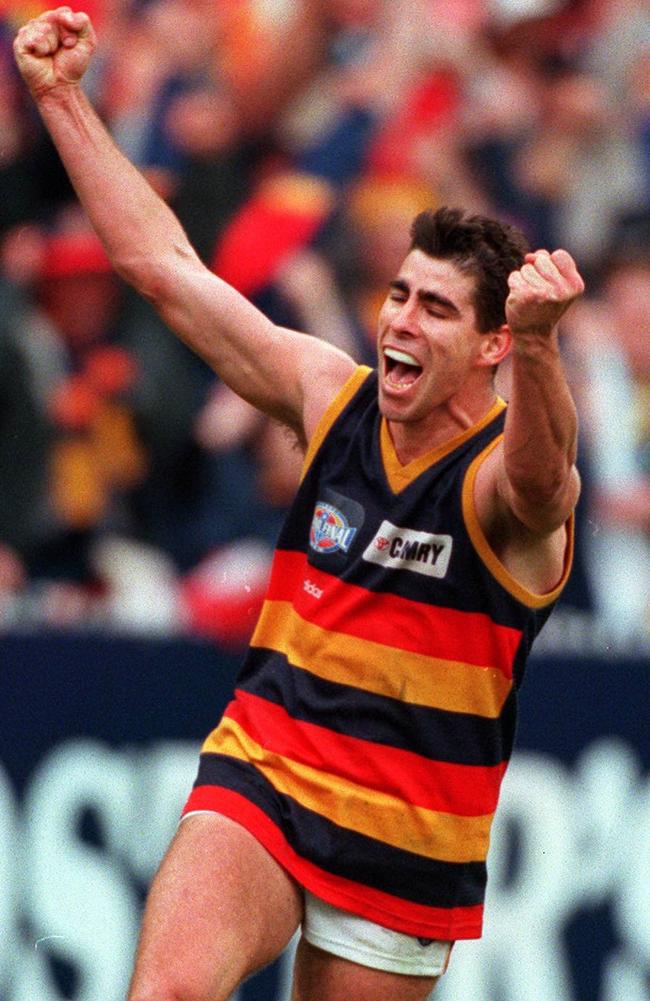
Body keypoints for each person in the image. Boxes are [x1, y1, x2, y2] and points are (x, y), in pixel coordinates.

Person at [14, 8, 585, 1001]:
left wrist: (541, 348)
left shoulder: (505, 474)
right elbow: (167, 270)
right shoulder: (332, 396)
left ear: (492, 346)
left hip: (409, 828)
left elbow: (543, 485)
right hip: (267, 766)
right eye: (399, 294)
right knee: (169, 990)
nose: (398, 319)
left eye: (435, 308)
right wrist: (62, 98)